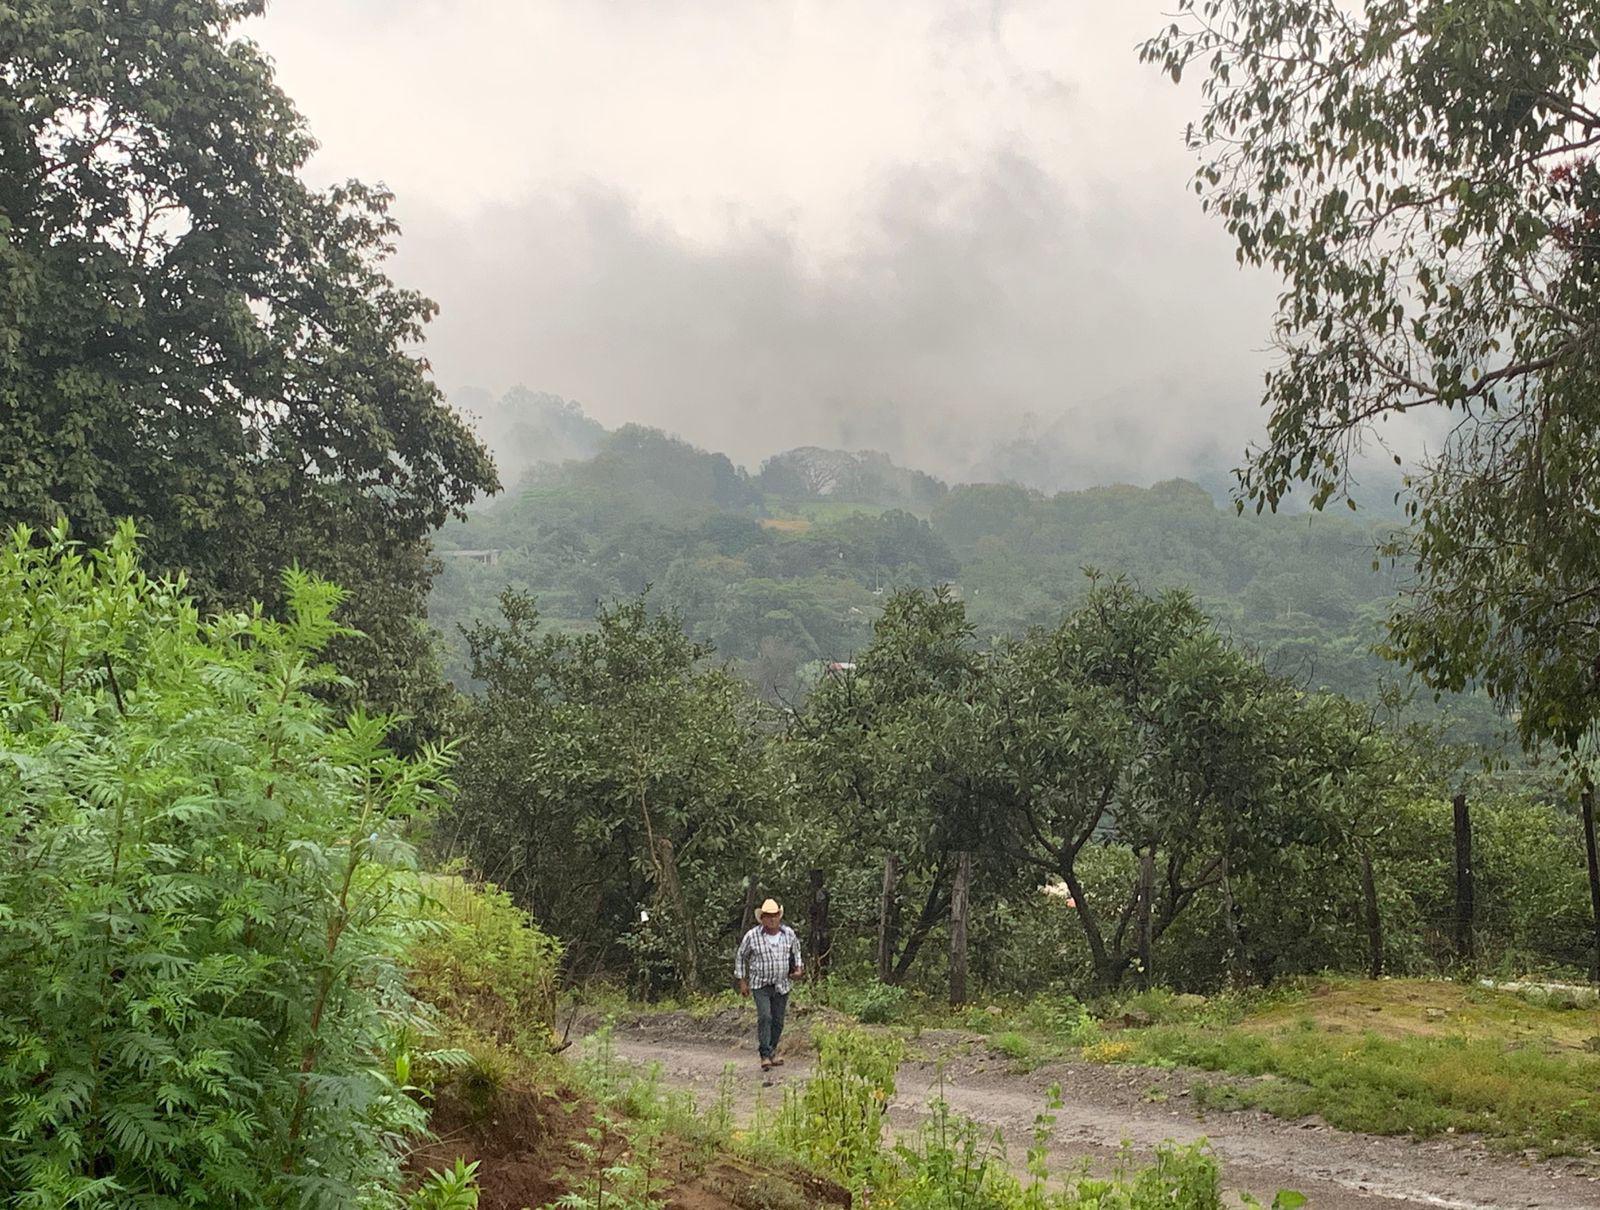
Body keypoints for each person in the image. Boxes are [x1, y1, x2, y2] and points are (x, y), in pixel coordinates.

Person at [734, 898, 803, 1071]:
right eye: (768, 916)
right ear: (762, 918)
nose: (771, 919)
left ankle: (772, 1050)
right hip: (760, 984)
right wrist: (742, 981)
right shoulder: (752, 936)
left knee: (778, 1021)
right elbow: (741, 956)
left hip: (782, 984)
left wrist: (798, 969)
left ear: (779, 916)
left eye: (774, 916)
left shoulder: (788, 934)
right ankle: (764, 1054)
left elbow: (796, 952)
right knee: (765, 1017)